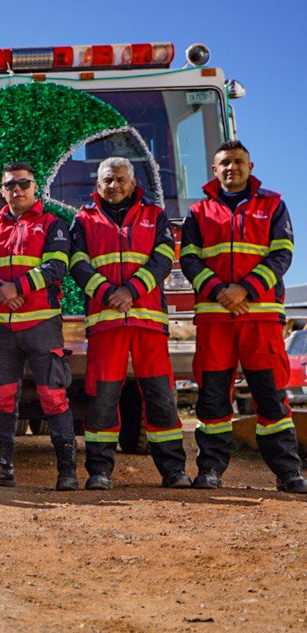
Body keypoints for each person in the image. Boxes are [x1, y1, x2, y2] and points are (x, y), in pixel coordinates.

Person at [181, 140, 306, 493]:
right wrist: (221, 292)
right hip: (215, 319)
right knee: (212, 398)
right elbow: (189, 260)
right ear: (214, 170)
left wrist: (245, 290)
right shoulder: (198, 212)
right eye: (225, 163)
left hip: (260, 318)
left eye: (238, 162)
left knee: (271, 397)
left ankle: (288, 474)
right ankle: (210, 471)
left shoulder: (274, 205)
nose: (231, 168)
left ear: (250, 167)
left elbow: (282, 255)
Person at [69, 158, 190, 489]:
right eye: (108, 179)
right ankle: (99, 471)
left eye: (121, 178)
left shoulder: (155, 215)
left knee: (161, 397)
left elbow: (164, 259)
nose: (115, 184)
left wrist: (132, 290)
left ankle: (174, 471)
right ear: (98, 185)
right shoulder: (83, 219)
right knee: (102, 398)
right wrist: (109, 293)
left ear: (133, 182)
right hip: (106, 322)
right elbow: (77, 263)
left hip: (148, 323)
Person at [0, 162, 76, 490]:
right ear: (2, 190)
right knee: (2, 398)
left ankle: (67, 472)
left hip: (42, 325)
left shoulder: (52, 224)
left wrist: (18, 287)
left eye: (23, 184)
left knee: (53, 397)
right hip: (2, 326)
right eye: (10, 185)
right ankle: (1, 468)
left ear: (35, 187)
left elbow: (58, 265)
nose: (17, 190)